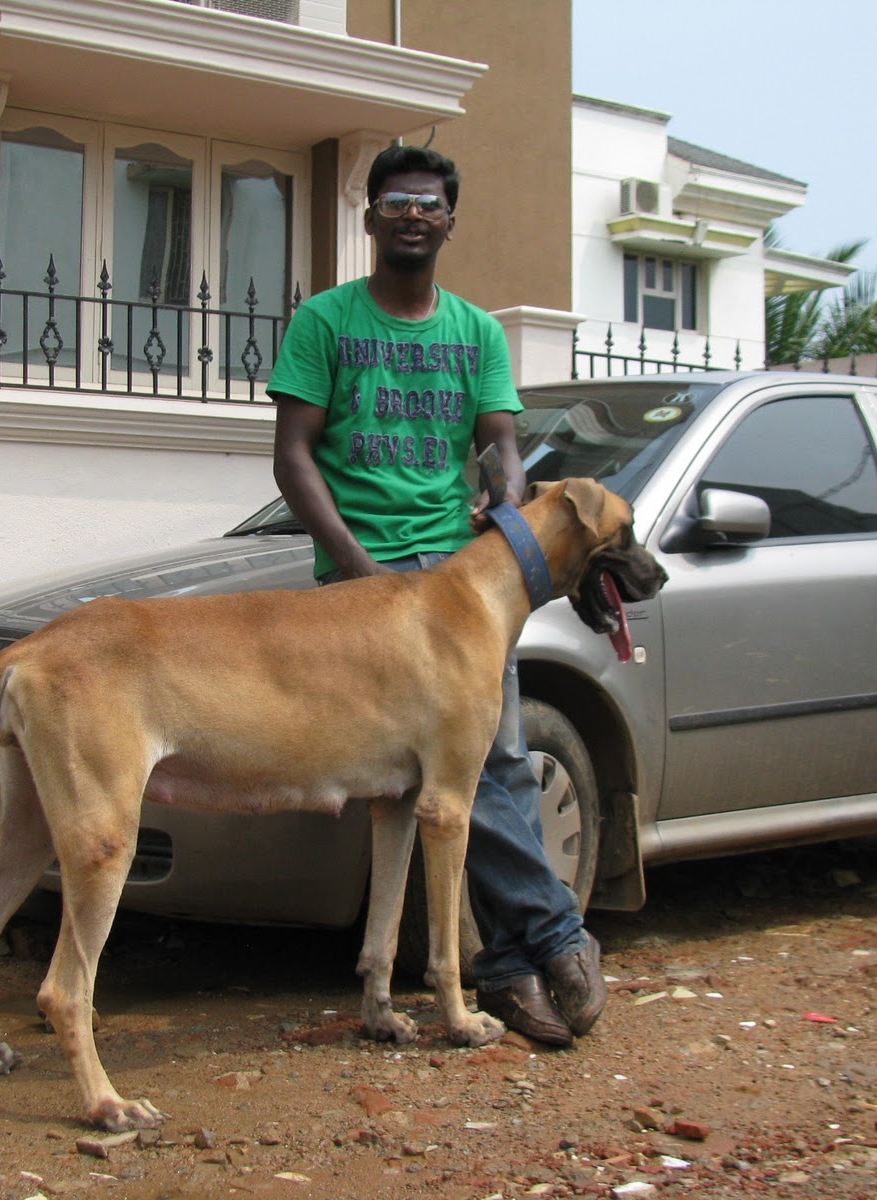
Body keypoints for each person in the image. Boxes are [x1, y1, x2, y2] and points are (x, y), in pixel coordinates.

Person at [267, 144, 608, 1047]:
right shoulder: (324, 322)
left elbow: (502, 444)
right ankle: (542, 944)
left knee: (482, 767)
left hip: (456, 582)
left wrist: (506, 491)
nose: (413, 213)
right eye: (396, 200)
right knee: (425, 782)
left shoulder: (476, 333)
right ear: (371, 216)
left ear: (450, 223)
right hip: (363, 583)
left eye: (430, 203)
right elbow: (293, 457)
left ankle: (510, 961)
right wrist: (353, 565)